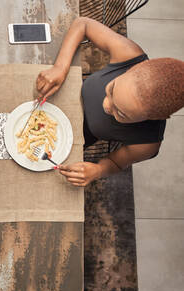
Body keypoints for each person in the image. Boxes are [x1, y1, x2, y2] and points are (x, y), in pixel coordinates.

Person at [36, 17, 184, 187]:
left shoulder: (147, 144)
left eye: (121, 113)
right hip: (62, 94)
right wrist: (60, 67)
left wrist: (97, 171)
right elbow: (82, 24)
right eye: (112, 89)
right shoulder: (129, 54)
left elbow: (116, 163)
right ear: (132, 68)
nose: (106, 105)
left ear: (156, 116)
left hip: (76, 136)